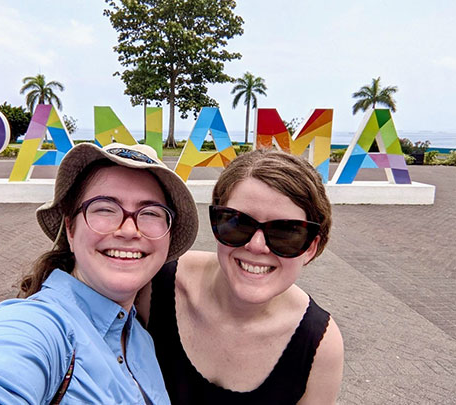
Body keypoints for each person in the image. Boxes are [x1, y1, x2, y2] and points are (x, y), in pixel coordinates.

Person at [0, 142, 198, 404]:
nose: (127, 230)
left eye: (150, 213)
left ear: (167, 236)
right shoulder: (38, 326)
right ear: (71, 230)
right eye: (104, 208)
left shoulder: (139, 336)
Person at [139, 148, 344, 404]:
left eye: (285, 232)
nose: (257, 246)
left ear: (311, 248)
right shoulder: (154, 285)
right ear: (216, 222)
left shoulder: (318, 345)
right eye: (238, 223)